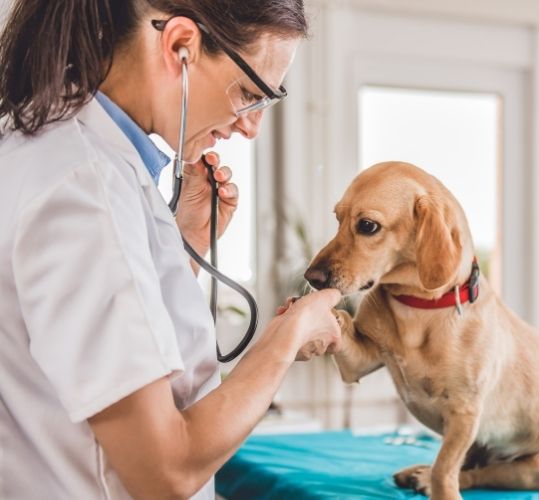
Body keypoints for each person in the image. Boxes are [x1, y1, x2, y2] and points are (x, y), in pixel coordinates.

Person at [0, 1, 341, 498]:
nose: (251, 127)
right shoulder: (84, 189)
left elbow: (92, 342)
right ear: (180, 45)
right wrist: (286, 339)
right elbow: (164, 471)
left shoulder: (43, 149)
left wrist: (186, 245)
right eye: (250, 94)